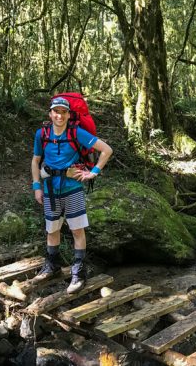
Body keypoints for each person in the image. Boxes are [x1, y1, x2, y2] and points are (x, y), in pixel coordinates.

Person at [30, 97, 113, 294]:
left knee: (77, 230)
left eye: (63, 112)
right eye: (55, 111)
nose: (59, 115)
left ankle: (78, 272)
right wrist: (36, 187)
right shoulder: (42, 134)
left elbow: (106, 150)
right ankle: (52, 266)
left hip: (72, 188)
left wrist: (93, 172)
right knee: (52, 229)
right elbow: (35, 161)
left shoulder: (76, 133)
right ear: (50, 114)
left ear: (68, 114)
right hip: (50, 189)